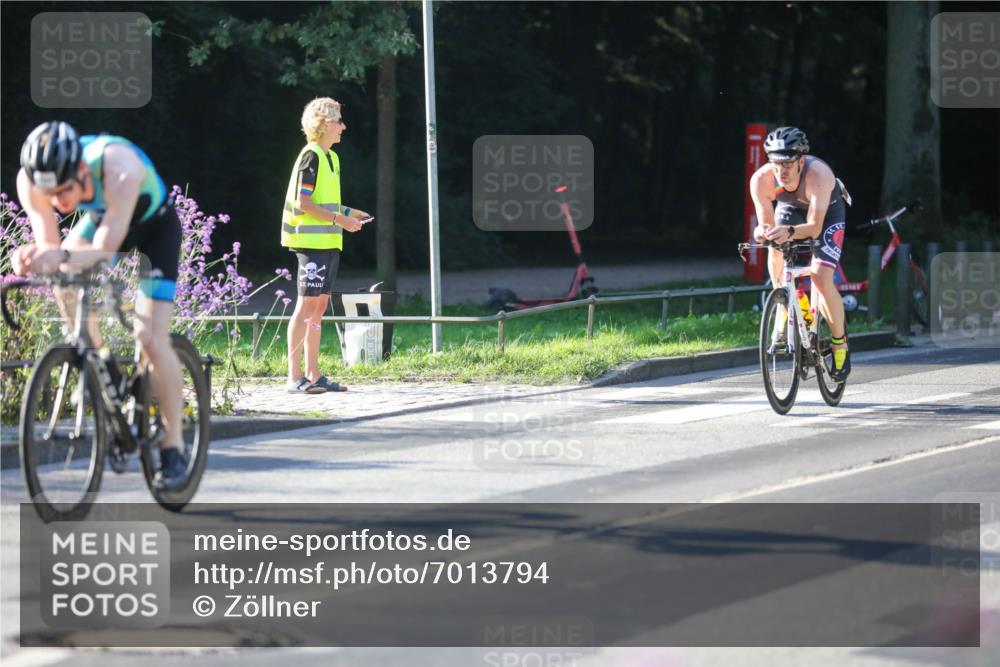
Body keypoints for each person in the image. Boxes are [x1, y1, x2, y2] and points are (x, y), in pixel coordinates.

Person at [12, 120, 189, 487]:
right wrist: (32, 256)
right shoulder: (31, 181)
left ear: (80, 169)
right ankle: (100, 364)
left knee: (152, 339)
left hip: (154, 227)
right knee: (65, 283)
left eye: (64, 191)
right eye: (52, 195)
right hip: (102, 219)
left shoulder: (119, 167)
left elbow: (105, 247)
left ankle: (173, 447)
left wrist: (56, 254)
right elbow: (50, 245)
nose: (60, 203)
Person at [281, 97, 371, 394]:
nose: (343, 126)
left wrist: (347, 214)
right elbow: (303, 203)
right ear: (322, 125)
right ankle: (295, 378)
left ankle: (314, 374)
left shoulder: (331, 157)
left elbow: (322, 203)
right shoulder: (311, 156)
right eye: (338, 121)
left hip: (329, 243)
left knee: (318, 308)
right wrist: (339, 220)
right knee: (306, 307)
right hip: (310, 243)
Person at [750, 126, 851, 382]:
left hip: (827, 214)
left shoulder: (819, 174)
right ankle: (784, 303)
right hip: (791, 208)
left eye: (787, 164)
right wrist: (764, 232)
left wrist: (790, 231)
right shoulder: (760, 180)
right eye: (775, 163)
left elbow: (815, 227)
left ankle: (840, 344)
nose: (781, 171)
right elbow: (767, 224)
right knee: (775, 244)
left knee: (820, 275)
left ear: (800, 161)